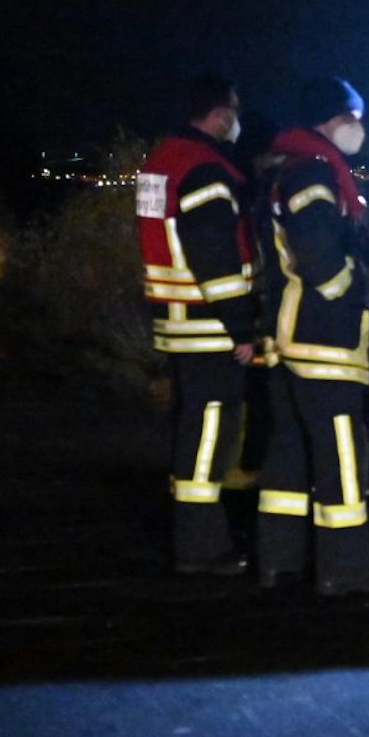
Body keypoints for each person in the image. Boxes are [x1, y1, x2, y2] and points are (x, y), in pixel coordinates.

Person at [253, 76, 369, 595]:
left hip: (289, 336)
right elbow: (315, 254)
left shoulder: (287, 166)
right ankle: (346, 570)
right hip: (321, 340)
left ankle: (279, 563)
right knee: (341, 455)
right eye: (354, 118)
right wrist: (347, 290)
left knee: (289, 452)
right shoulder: (313, 170)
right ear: (333, 119)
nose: (360, 128)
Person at [135, 73, 259, 575]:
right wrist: (242, 327)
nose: (237, 121)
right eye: (234, 111)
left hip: (177, 319)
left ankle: (196, 539)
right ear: (221, 114)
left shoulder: (161, 162)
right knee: (211, 435)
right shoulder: (205, 169)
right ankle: (202, 548)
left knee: (191, 428)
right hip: (208, 325)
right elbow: (215, 258)